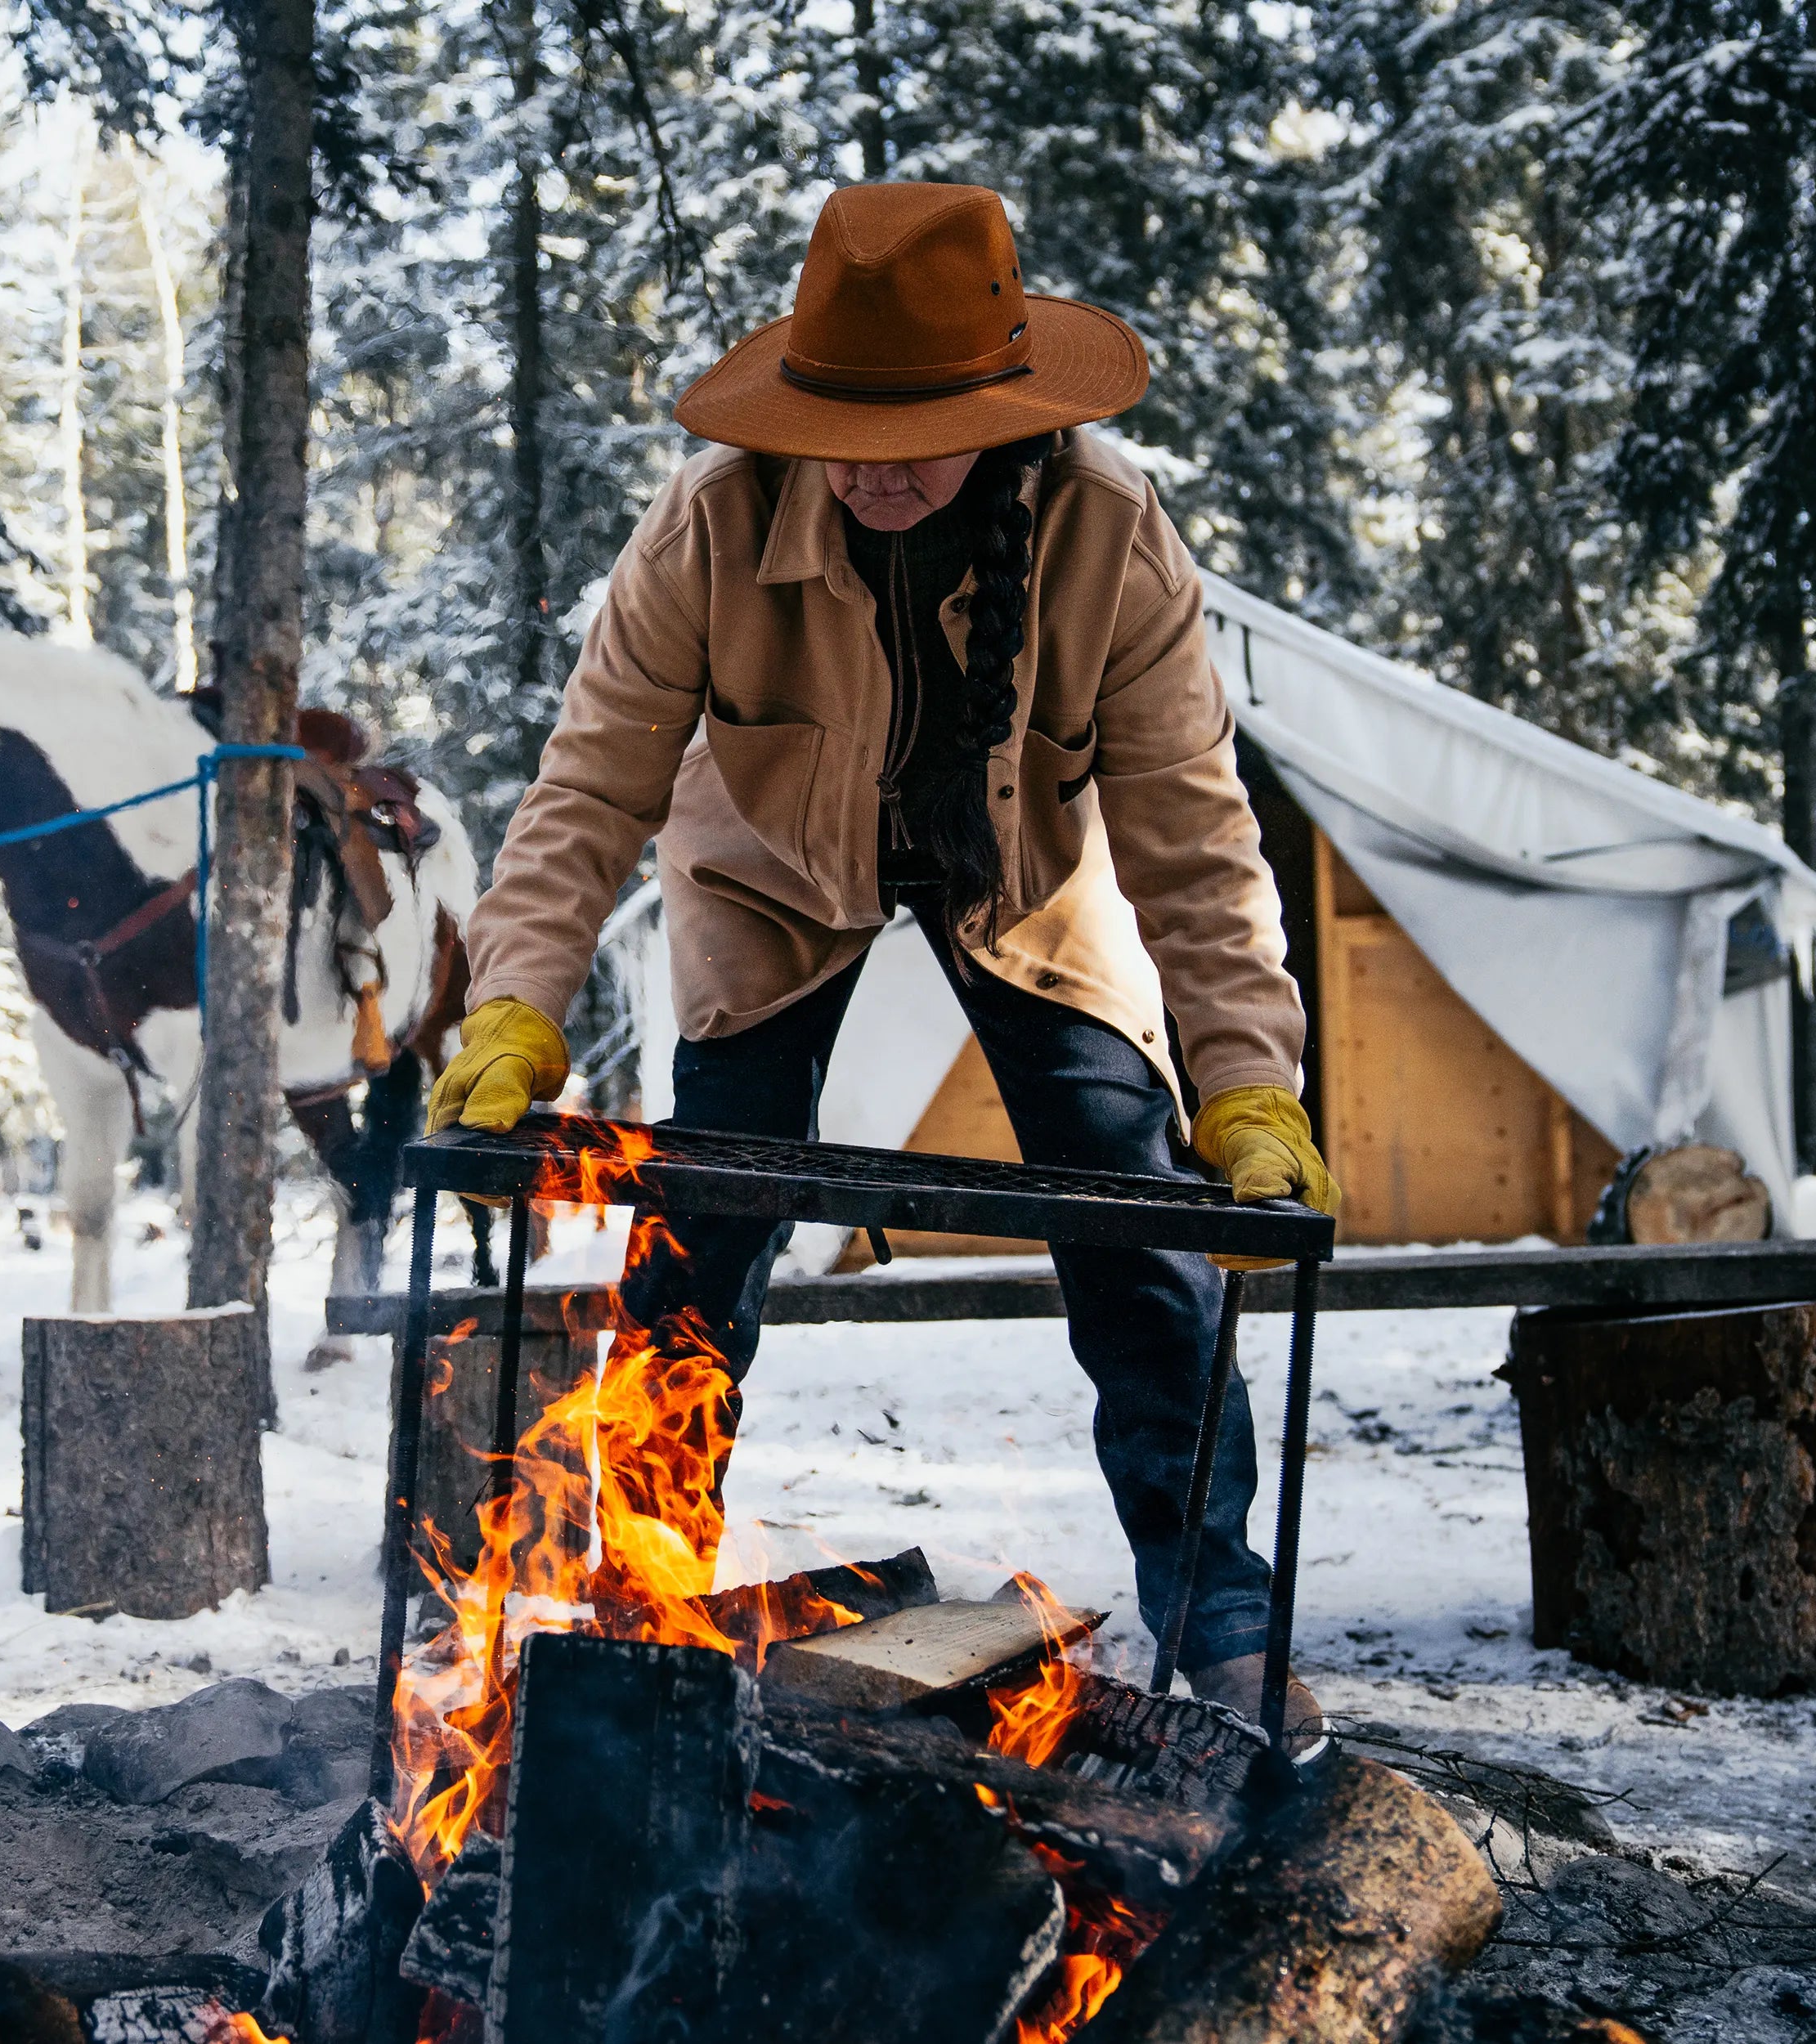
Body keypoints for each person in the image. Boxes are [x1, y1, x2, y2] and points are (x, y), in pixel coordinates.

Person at [428, 181, 1341, 1735]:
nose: (877, 471)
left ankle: (1226, 1623)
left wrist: (1248, 1088)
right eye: (847, 433)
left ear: (1007, 408)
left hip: (1031, 890)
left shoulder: (1111, 530)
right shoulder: (707, 523)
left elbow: (1193, 833)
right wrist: (515, 1005)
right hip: (770, 880)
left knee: (1137, 1217)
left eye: (920, 434)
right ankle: (641, 1603)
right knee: (703, 1221)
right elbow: (590, 785)